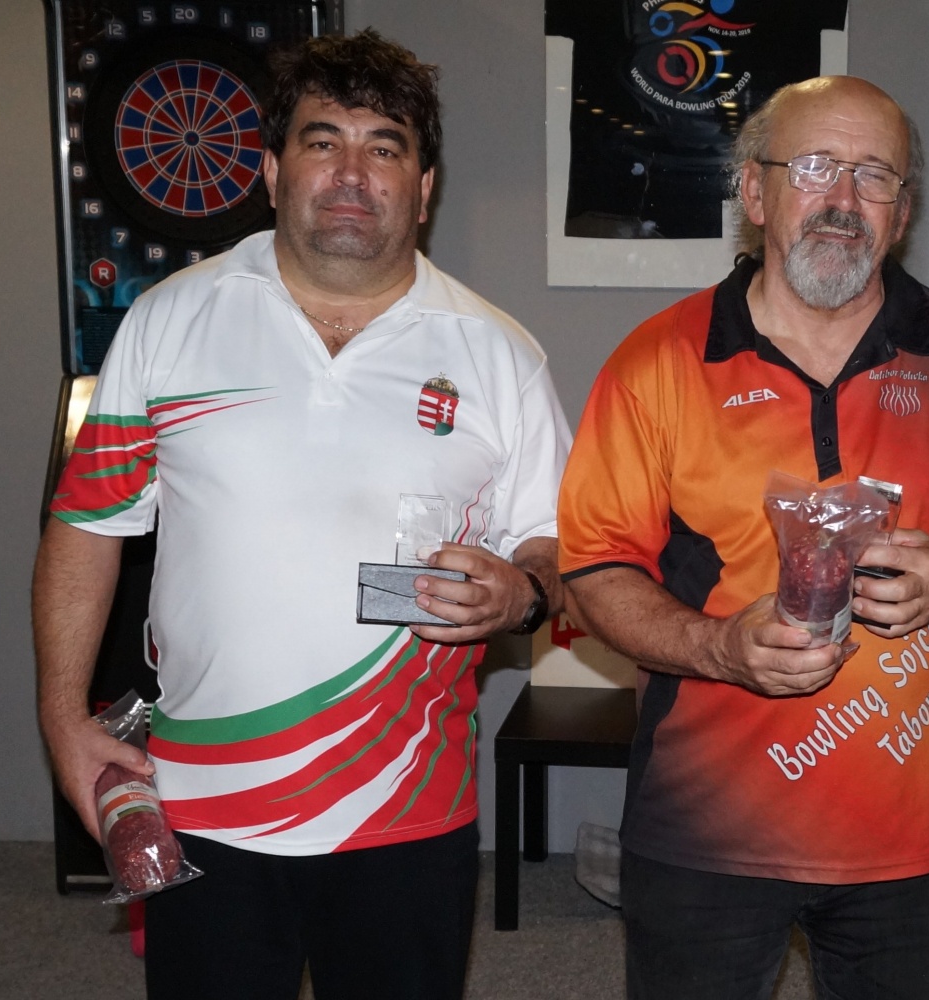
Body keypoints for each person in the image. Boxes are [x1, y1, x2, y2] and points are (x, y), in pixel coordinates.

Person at [33, 30, 571, 1000]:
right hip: (206, 803)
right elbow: (85, 527)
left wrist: (521, 591)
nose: (352, 173)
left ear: (424, 186)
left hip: (406, 806)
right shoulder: (169, 320)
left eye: (384, 147)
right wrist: (62, 718)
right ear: (273, 171)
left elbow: (556, 546)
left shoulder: (499, 354)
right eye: (323, 141)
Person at [556, 76, 929, 1000]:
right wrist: (718, 647)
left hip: (902, 829)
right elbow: (595, 568)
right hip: (705, 826)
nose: (843, 199)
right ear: (754, 191)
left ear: (902, 211)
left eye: (874, 175)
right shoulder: (657, 361)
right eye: (816, 166)